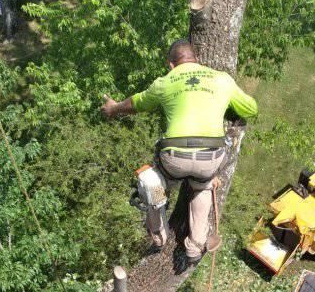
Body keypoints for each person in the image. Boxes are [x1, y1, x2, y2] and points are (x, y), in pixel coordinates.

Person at [101, 39, 258, 263]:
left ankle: (159, 235)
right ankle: (195, 246)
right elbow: (251, 108)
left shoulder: (165, 82)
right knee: (202, 186)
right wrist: (227, 105)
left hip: (174, 159)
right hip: (210, 158)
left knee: (152, 182)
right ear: (197, 60)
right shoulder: (222, 79)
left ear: (171, 65)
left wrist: (113, 108)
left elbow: (137, 103)